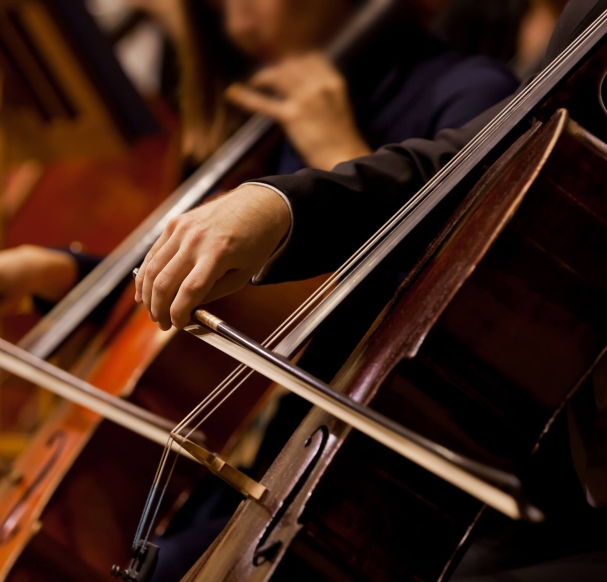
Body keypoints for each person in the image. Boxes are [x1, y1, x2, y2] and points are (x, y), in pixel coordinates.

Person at [133, 1, 607, 579]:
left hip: (458, 480)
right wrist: (283, 205)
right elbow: (491, 158)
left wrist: (334, 152)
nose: (236, 24)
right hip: (309, 452)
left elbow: (478, 287)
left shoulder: (463, 85)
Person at [0, 0, 517, 351]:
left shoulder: (473, 91)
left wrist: (338, 151)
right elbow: (244, 305)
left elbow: (467, 322)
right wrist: (67, 273)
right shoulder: (265, 108)